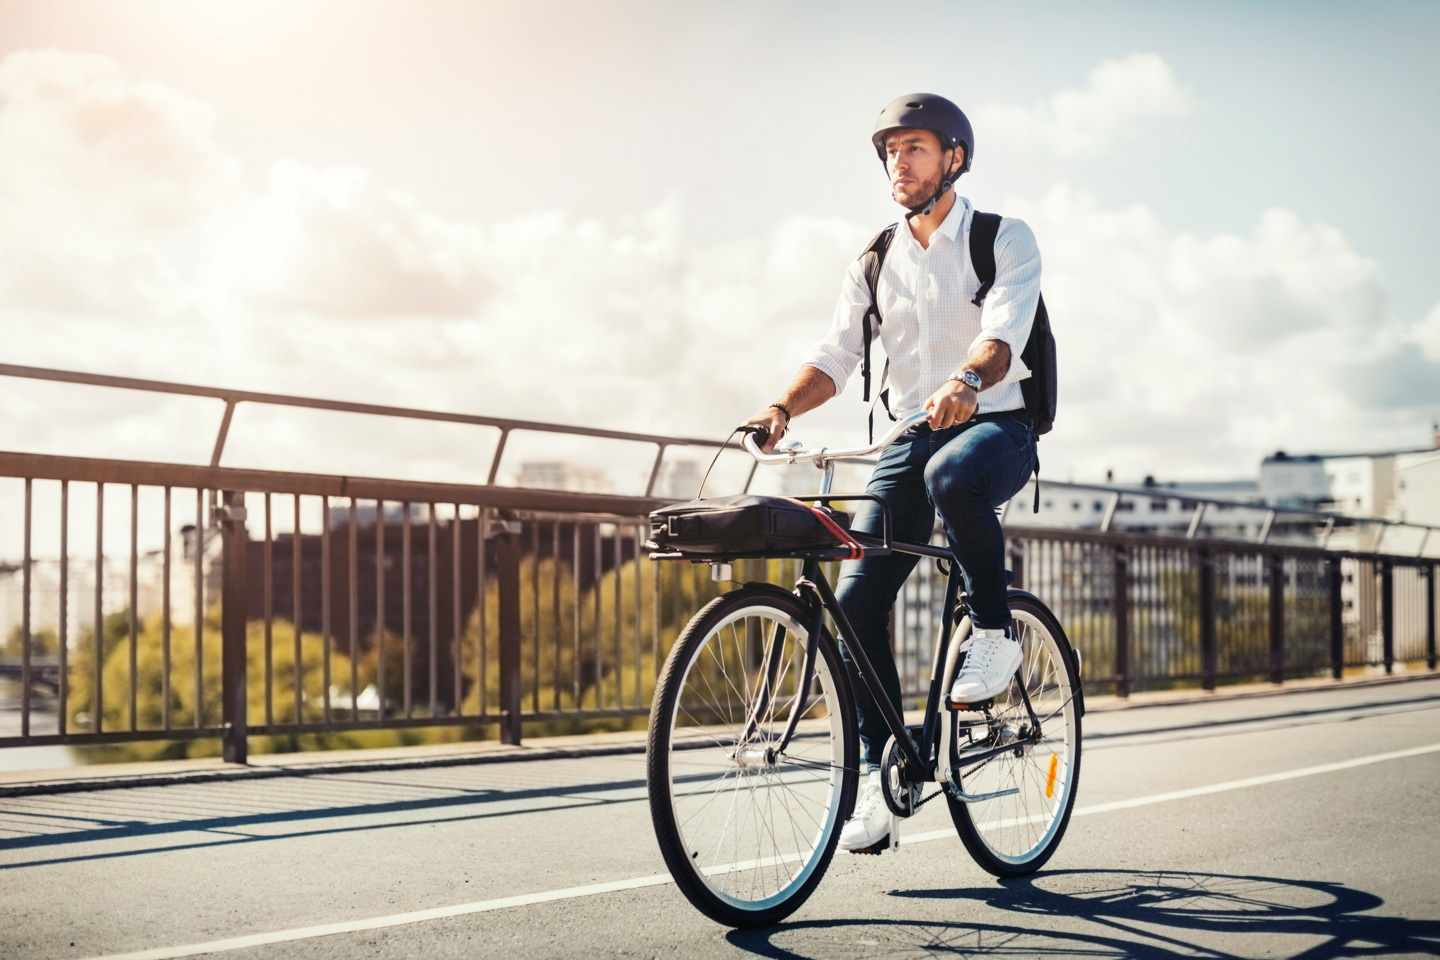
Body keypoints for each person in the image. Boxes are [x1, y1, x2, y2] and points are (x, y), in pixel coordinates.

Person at [746, 93, 1041, 853]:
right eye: (889, 152)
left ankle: (995, 629)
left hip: (995, 424)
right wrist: (781, 409)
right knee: (853, 607)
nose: (896, 163)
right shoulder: (875, 258)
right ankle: (887, 770)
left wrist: (967, 383)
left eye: (913, 148)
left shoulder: (1000, 238)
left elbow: (1003, 334)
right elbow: (836, 355)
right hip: (906, 438)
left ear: (953, 158)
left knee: (954, 476)